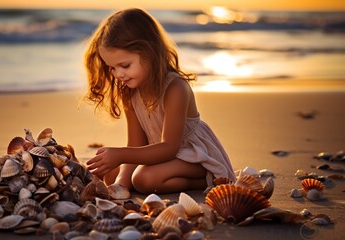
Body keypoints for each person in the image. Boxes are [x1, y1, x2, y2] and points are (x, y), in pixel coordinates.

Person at [83, 8, 235, 199]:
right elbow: (136, 145)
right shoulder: (129, 92)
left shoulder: (175, 88)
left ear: (149, 53)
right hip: (162, 157)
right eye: (112, 68)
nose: (118, 74)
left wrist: (121, 155)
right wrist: (121, 183)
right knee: (110, 173)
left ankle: (208, 178)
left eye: (125, 65)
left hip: (194, 157)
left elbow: (170, 148)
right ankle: (138, 177)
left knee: (143, 179)